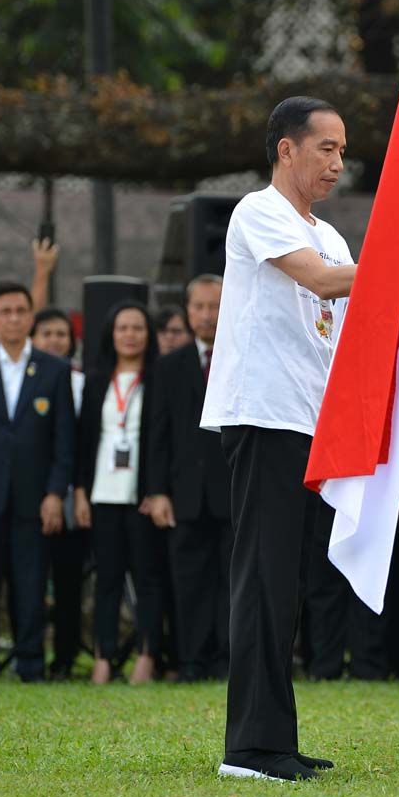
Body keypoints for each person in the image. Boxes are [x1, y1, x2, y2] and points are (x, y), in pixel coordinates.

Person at [201, 96, 399, 783]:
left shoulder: (332, 235)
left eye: (343, 150)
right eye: (327, 148)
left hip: (313, 424)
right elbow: (316, 280)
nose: (339, 162)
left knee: (292, 585)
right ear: (286, 149)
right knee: (264, 580)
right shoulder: (258, 213)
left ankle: (274, 739)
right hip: (264, 416)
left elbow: (379, 328)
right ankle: (249, 748)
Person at [0, 281, 75, 682]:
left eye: (20, 311)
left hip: (34, 497)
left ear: (30, 316)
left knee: (30, 584)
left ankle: (30, 663)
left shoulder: (54, 369)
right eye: (4, 311)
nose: (12, 318)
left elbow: (65, 439)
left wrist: (56, 493)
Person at [145, 275, 232, 682]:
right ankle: (192, 661)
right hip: (185, 495)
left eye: (214, 306)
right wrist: (157, 491)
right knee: (189, 581)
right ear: (186, 309)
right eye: (198, 307)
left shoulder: (240, 355)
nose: (206, 315)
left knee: (232, 581)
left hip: (234, 491)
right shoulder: (168, 365)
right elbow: (156, 433)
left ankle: (227, 661)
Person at [74, 301, 163, 685]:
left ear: (148, 335)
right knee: (106, 580)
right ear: (111, 334)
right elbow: (84, 440)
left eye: (138, 328)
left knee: (147, 579)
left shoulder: (159, 378)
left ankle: (147, 656)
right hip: (103, 493)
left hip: (142, 496)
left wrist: (158, 490)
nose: (130, 335)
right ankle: (103, 657)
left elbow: (164, 441)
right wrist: (79, 492)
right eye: (122, 328)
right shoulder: (95, 379)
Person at [30, 307, 87, 680]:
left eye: (61, 334)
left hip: (73, 496)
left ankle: (65, 656)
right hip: (33, 496)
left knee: (70, 580)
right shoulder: (27, 379)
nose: (54, 340)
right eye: (46, 333)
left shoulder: (84, 381)